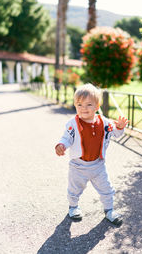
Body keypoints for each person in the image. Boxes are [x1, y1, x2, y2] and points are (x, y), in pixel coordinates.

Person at [55, 83, 129, 225]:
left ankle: (109, 210)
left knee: (106, 189)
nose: (84, 109)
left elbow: (116, 133)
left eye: (89, 105)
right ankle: (73, 207)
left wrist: (119, 127)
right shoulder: (73, 123)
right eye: (79, 105)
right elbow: (67, 137)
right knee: (74, 189)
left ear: (97, 106)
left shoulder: (104, 122)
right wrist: (61, 145)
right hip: (78, 166)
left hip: (98, 165)